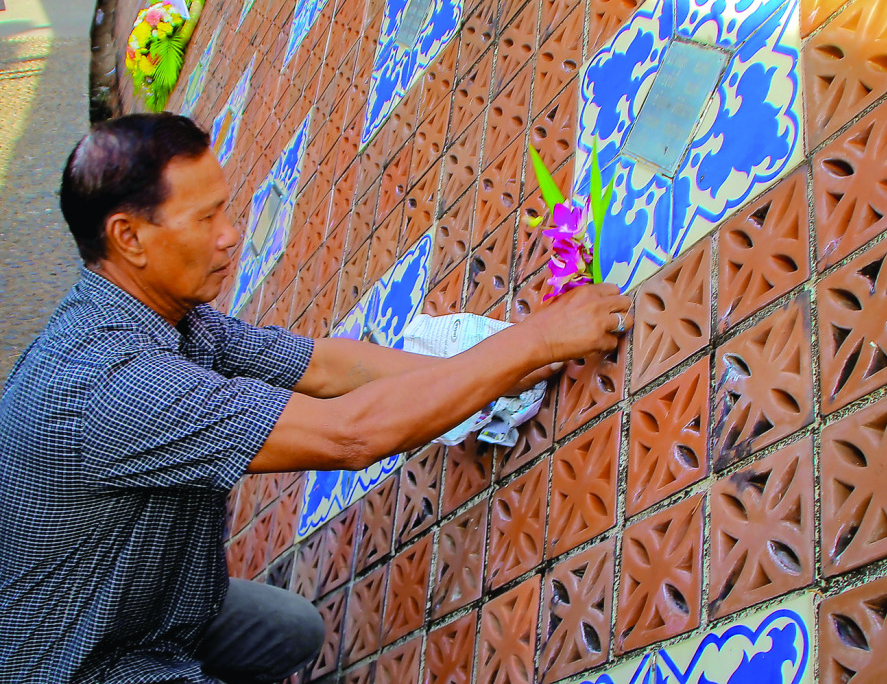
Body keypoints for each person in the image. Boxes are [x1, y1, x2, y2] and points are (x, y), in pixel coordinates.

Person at [0, 113, 630, 684]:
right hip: (85, 662)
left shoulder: (160, 313)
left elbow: (326, 367)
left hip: (158, 601)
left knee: (291, 631)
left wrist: (500, 367)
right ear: (129, 237)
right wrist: (536, 339)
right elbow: (348, 435)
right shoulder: (108, 384)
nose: (231, 236)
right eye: (206, 219)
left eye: (226, 211)